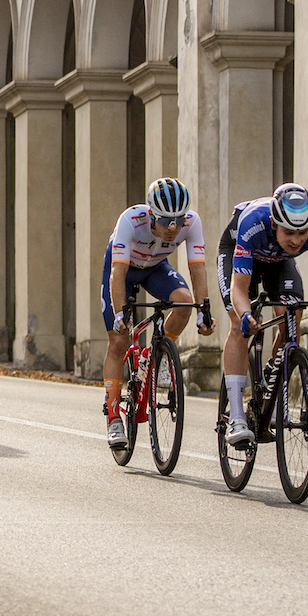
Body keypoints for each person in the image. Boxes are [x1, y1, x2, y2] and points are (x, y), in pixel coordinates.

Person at [217, 182, 308, 450]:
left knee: (292, 316)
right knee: (238, 325)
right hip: (239, 252)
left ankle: (272, 383)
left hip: (278, 261)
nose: (296, 240)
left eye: (302, 233)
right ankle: (236, 417)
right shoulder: (253, 223)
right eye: (289, 232)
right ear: (274, 223)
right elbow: (239, 288)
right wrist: (245, 315)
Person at [102, 177, 214, 450]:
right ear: (152, 215)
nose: (173, 227)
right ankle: (114, 417)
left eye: (178, 220)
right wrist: (120, 314)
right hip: (123, 270)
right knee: (119, 339)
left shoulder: (192, 223)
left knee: (184, 302)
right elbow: (118, 272)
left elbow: (197, 268)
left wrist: (204, 310)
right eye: (166, 221)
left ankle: (158, 355)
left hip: (155, 268)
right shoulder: (131, 220)